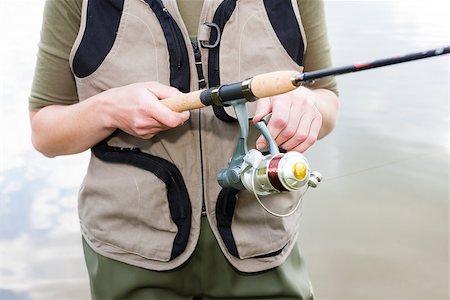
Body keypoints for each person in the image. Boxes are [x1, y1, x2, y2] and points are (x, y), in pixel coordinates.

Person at [29, 0, 339, 299]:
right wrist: (106, 110)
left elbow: (327, 101)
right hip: (129, 261)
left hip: (265, 251)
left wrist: (307, 104)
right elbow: (45, 133)